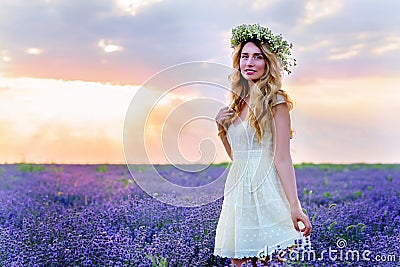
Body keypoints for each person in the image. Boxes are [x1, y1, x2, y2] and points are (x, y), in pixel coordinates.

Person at [213, 24, 312, 267]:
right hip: (238, 189)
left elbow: (282, 158)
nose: (250, 62)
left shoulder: (276, 101)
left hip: (265, 186)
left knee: (268, 260)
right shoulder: (236, 103)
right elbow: (238, 157)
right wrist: (221, 130)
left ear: (268, 63)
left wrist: (294, 205)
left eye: (258, 57)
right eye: (245, 56)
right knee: (238, 261)